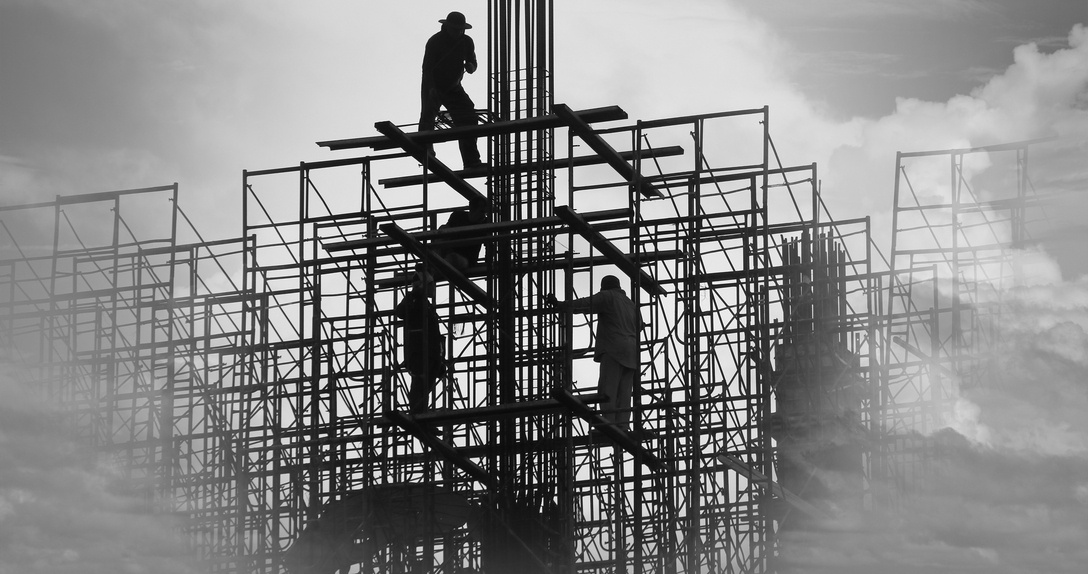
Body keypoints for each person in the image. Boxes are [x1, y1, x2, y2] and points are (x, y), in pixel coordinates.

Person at [549, 275, 642, 431]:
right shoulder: (631, 305)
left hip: (614, 347)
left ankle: (608, 423)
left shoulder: (608, 296)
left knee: (608, 389)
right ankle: (623, 425)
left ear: (604, 286)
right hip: (632, 351)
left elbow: (586, 303)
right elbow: (639, 326)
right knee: (625, 391)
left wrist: (561, 305)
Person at [419, 11, 485, 170]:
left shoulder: (466, 42)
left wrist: (471, 66)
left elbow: (472, 61)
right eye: (455, 29)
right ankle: (425, 151)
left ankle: (471, 161)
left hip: (453, 87)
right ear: (447, 27)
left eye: (460, 29)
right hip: (433, 84)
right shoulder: (435, 41)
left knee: (468, 116)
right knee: (428, 117)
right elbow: (427, 69)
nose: (458, 32)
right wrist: (432, 88)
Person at [395, 271, 445, 413]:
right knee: (419, 384)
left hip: (431, 353)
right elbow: (400, 312)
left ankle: (422, 415)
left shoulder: (427, 305)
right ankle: (418, 415)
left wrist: (439, 359)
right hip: (419, 352)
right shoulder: (413, 299)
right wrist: (415, 294)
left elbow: (434, 333)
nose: (433, 288)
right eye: (431, 285)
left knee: (425, 386)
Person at [435, 199, 488, 274]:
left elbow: (489, 244)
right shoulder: (457, 216)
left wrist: (489, 262)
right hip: (449, 252)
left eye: (485, 213)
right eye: (482, 212)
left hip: (466, 259)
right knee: (443, 229)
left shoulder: (484, 223)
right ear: (472, 210)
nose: (483, 216)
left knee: (453, 258)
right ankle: (437, 262)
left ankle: (436, 265)